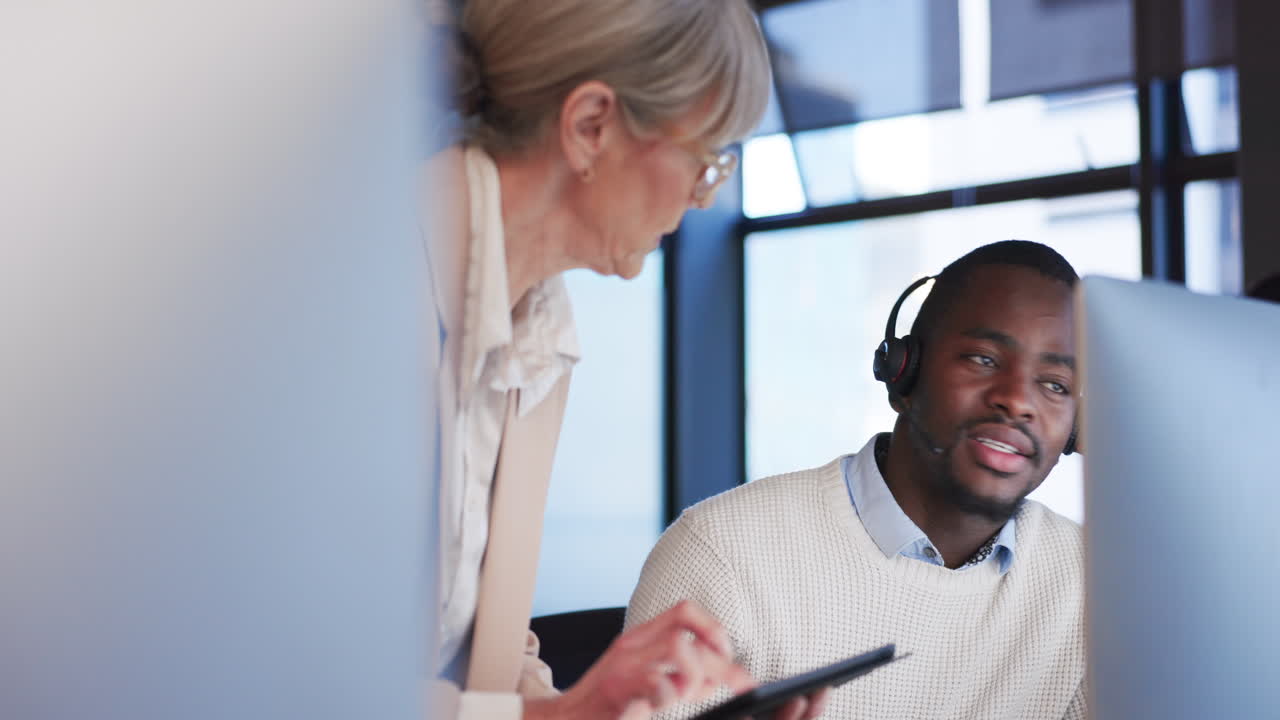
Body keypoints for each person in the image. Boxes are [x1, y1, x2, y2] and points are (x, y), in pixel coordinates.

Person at [423, 2, 825, 719]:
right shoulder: (355, 287)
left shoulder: (540, 338)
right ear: (591, 127)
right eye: (707, 161)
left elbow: (479, 656)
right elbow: (276, 667)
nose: (703, 200)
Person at [627, 241, 1088, 719]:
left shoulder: (1092, 580)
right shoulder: (722, 553)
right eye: (983, 359)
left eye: (1055, 385)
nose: (1017, 400)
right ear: (903, 373)